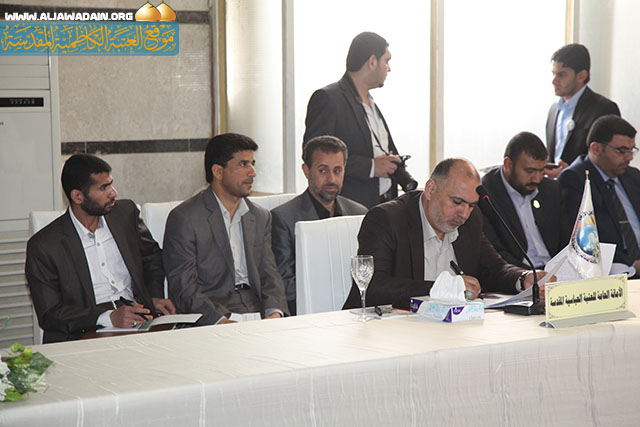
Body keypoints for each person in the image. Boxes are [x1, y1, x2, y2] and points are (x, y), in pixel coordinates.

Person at [343, 159, 547, 310]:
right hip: (390, 331)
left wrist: (523, 278)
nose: (464, 214)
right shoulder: (387, 219)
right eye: (457, 202)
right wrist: (444, 289)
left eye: (471, 205)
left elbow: (494, 269)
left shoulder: (471, 220)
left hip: (449, 330)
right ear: (431, 189)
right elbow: (374, 287)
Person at [25, 154, 175, 343]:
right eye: (103, 188)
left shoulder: (125, 214)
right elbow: (50, 313)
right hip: (82, 333)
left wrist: (152, 297)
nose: (113, 193)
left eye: (111, 184)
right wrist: (108, 318)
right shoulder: (45, 245)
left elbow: (152, 257)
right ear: (77, 196)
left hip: (138, 321)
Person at [163, 133, 289, 325]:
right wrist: (219, 321)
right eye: (243, 164)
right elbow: (184, 288)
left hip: (258, 315)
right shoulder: (184, 218)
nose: (253, 172)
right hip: (211, 318)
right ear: (218, 172)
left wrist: (275, 313)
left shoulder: (260, 217)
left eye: (253, 164)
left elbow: (270, 276)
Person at [303, 31, 405, 208]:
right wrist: (371, 167)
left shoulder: (371, 104)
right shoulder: (328, 98)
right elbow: (314, 156)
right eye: (386, 61)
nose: (389, 69)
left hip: (382, 206)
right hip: (348, 208)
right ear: (372, 61)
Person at [271, 136, 367, 314]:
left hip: (354, 311)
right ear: (306, 171)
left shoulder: (359, 213)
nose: (331, 179)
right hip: (309, 313)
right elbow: (284, 283)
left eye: (337, 170)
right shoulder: (283, 218)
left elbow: (367, 269)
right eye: (323, 170)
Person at [558, 115, 640, 274]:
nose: (629, 157)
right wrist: (632, 264)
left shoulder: (633, 176)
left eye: (632, 150)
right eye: (622, 151)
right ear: (596, 148)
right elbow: (587, 239)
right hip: (613, 270)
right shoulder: (575, 179)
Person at [481, 132, 571, 269]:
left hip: (555, 271)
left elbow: (567, 242)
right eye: (530, 171)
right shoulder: (486, 194)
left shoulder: (551, 189)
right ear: (508, 164)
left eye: (542, 171)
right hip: (517, 274)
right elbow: (495, 253)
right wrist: (530, 275)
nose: (537, 179)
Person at [545, 43, 620, 178]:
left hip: (587, 187)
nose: (554, 81)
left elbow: (610, 160)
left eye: (561, 75)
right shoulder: (553, 110)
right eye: (553, 74)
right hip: (555, 187)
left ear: (581, 76)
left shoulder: (604, 109)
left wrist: (571, 173)